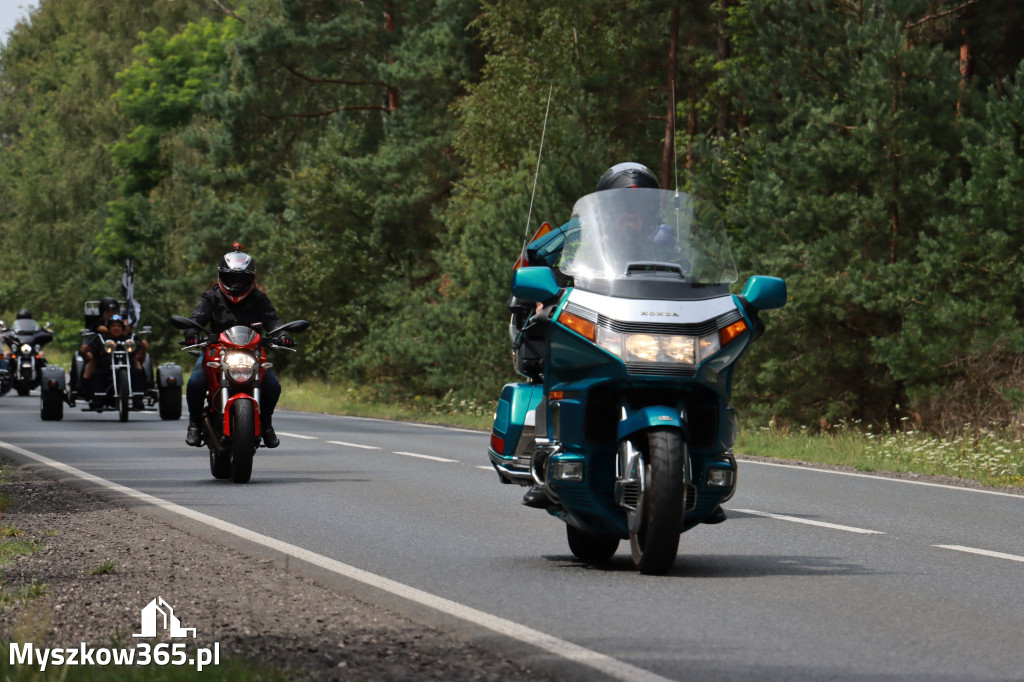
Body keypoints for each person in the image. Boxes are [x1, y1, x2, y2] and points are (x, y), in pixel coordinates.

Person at [183, 245, 293, 449]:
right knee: (196, 381)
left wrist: (283, 334)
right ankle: (195, 424)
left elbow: (273, 321)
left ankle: (266, 423)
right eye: (232, 278)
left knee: (273, 386)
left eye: (242, 279)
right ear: (221, 276)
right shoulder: (211, 297)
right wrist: (191, 334)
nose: (237, 283)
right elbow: (196, 319)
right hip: (216, 350)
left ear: (250, 279)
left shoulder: (259, 298)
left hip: (252, 352)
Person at [81, 314, 147, 409]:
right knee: (96, 374)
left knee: (138, 373)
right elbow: (90, 357)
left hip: (127, 367)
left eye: (119, 326)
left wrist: (144, 349)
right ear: (108, 328)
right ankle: (97, 399)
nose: (116, 328)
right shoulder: (100, 339)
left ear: (123, 328)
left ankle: (138, 400)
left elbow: (139, 358)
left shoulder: (130, 339)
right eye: (113, 326)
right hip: (106, 369)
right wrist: (83, 352)